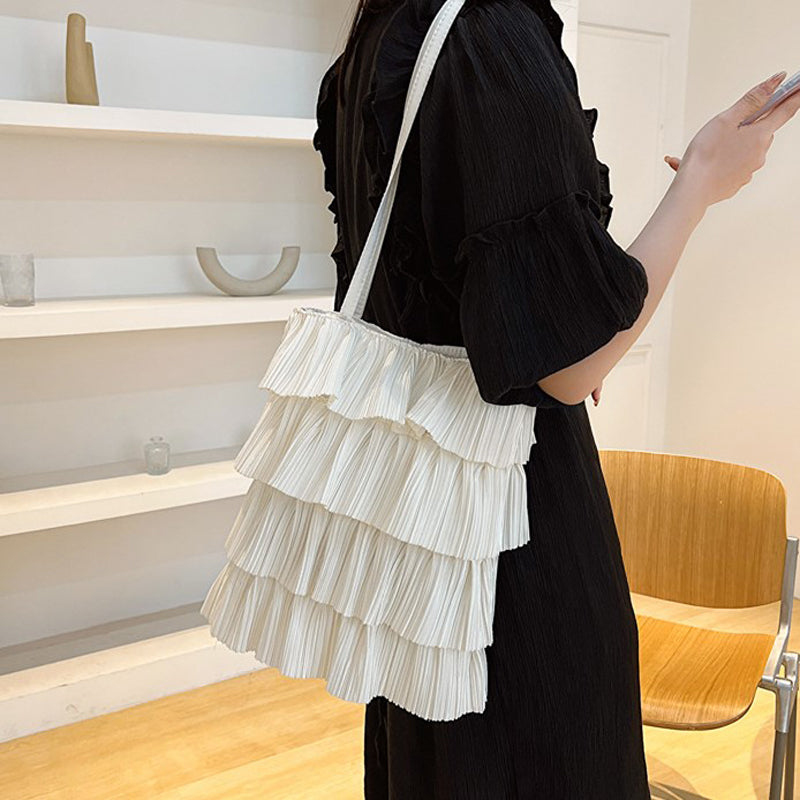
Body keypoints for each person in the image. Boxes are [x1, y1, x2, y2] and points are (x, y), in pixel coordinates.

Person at [312, 0, 800, 796]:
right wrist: (702, 182)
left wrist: (546, 323)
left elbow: (427, 282)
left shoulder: (385, 27)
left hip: (419, 523)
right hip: (514, 537)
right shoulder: (492, 33)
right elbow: (570, 369)